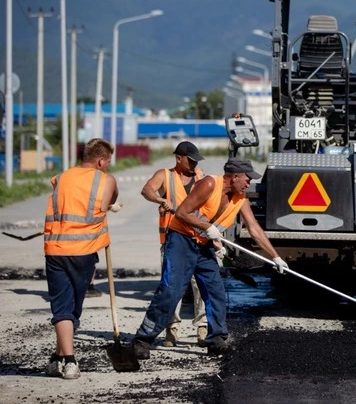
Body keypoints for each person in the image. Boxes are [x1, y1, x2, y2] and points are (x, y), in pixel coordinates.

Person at [132, 158, 289, 358]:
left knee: (216, 291)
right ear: (235, 176)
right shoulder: (209, 184)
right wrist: (207, 227)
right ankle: (143, 339)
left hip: (203, 245)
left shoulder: (241, 197)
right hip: (181, 241)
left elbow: (254, 228)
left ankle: (216, 339)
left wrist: (275, 257)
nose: (249, 183)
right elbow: (182, 213)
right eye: (247, 179)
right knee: (171, 290)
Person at [43, 138, 120, 379]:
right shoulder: (105, 180)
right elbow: (110, 198)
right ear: (100, 161)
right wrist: (111, 205)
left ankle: (57, 359)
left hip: (55, 250)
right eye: (108, 161)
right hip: (83, 252)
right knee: (71, 310)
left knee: (62, 307)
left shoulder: (62, 177)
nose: (108, 166)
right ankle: (70, 361)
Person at [140, 141, 209, 348]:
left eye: (196, 161)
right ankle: (171, 329)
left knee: (200, 285)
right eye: (191, 160)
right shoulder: (165, 176)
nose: (195, 164)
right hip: (172, 240)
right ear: (179, 158)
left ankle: (203, 328)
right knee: (172, 286)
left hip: (197, 238)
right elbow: (147, 190)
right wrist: (160, 200)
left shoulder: (201, 177)